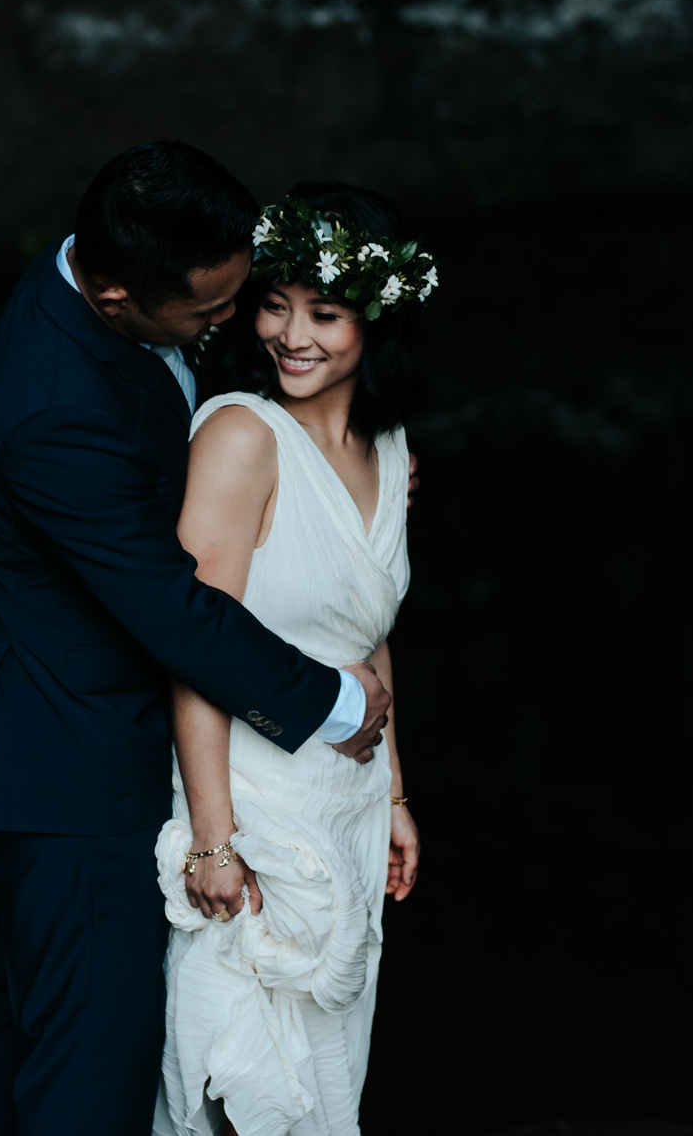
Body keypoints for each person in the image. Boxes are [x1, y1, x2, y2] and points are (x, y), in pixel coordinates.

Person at [0, 143, 393, 1136]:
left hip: (64, 720)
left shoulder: (114, 268)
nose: (231, 324)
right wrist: (338, 701)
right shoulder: (49, 408)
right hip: (66, 757)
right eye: (206, 313)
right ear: (112, 294)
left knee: (35, 1025)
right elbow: (169, 605)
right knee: (89, 1068)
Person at [153, 184, 438, 1136]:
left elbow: (368, 626)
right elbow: (195, 645)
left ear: (377, 320)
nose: (291, 334)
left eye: (325, 313)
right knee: (244, 1080)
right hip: (253, 801)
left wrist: (395, 793)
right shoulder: (239, 436)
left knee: (326, 1077)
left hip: (347, 806)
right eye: (276, 304)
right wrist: (212, 838)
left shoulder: (390, 446)